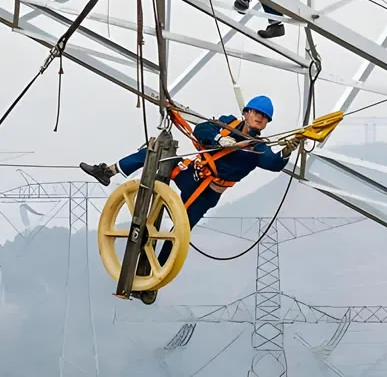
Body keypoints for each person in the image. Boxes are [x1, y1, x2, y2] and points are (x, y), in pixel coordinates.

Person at [80, 96, 300, 301]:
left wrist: (286, 152)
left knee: (179, 233)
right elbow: (202, 128)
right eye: (256, 113)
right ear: (246, 112)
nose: (260, 118)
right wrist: (218, 138)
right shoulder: (227, 124)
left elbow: (273, 163)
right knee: (155, 151)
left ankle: (152, 283)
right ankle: (108, 171)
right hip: (191, 172)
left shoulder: (259, 148)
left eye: (264, 118)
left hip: (206, 192)